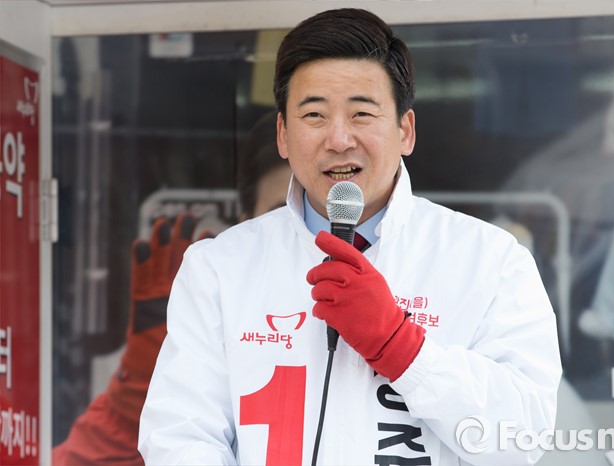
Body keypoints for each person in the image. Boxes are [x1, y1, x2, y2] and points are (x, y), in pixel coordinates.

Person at [139, 8, 561, 465]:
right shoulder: (219, 267)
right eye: (314, 115)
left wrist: (402, 348)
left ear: (405, 131)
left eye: (361, 113)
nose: (339, 139)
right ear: (283, 135)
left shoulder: (491, 261)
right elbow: (179, 436)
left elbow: (521, 438)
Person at [52, 111, 290, 465]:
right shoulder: (207, 325)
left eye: (327, 213)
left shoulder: (380, 327)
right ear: (246, 226)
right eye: (283, 216)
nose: (308, 236)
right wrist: (137, 395)